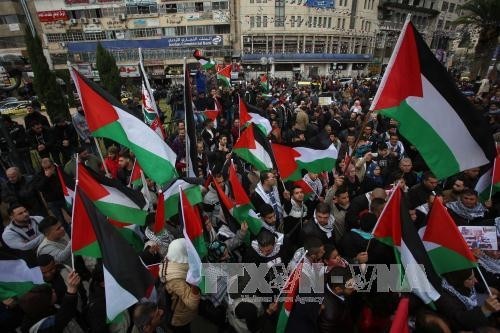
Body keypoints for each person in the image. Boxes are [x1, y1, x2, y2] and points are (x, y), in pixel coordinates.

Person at [18, 270, 84, 333]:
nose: (53, 290)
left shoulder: (41, 309)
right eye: (51, 293)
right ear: (44, 303)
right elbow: (61, 319)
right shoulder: (39, 327)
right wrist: (71, 290)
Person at [159, 239, 200, 333]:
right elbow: (192, 303)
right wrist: (195, 282)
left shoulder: (171, 257)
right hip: (180, 318)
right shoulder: (175, 279)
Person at [318, 266, 357, 333]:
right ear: (338, 289)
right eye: (351, 288)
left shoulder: (330, 283)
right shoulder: (330, 315)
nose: (355, 288)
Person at [35, 158, 71, 226]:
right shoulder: (39, 174)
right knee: (61, 221)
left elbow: (67, 179)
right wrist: (46, 177)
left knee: (72, 213)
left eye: (49, 167)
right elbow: (39, 187)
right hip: (52, 201)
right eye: (45, 168)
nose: (47, 169)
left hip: (64, 197)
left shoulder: (59, 169)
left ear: (52, 165)